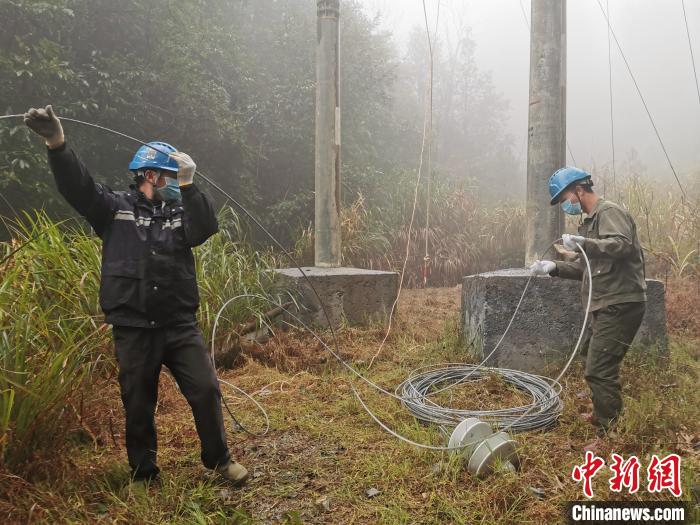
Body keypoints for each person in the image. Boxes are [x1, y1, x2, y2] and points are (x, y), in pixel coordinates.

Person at [23, 105, 248, 486]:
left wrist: (192, 185)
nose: (177, 182)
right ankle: (144, 474)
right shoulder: (113, 209)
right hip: (133, 327)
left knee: (206, 389)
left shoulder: (180, 213)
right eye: (173, 176)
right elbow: (77, 187)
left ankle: (219, 460)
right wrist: (56, 144)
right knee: (139, 405)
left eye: (180, 177)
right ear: (149, 175)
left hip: (179, 325)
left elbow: (204, 227)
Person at [530, 166, 646, 437]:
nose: (566, 205)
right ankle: (601, 411)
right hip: (606, 303)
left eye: (566, 198)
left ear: (579, 190)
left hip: (621, 302)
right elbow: (585, 268)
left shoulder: (609, 213)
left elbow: (622, 245)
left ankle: (609, 432)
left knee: (599, 369)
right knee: (590, 353)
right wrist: (553, 267)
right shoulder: (589, 222)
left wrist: (586, 243)